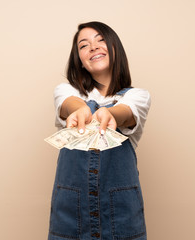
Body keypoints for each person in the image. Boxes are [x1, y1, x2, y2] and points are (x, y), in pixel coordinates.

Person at [48, 21, 151, 240]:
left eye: (101, 40)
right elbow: (69, 103)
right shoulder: (66, 91)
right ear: (80, 62)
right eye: (83, 45)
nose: (93, 47)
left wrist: (111, 115)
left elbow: (127, 111)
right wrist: (82, 111)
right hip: (70, 215)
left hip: (121, 215)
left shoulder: (137, 96)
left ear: (115, 49)